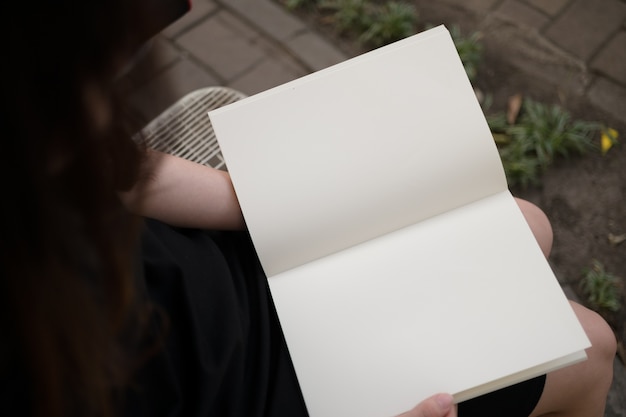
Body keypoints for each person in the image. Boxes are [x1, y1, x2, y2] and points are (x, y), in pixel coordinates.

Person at [1, 1, 616, 417]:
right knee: (590, 348)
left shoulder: (37, 133)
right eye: (104, 74)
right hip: (251, 388)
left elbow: (117, 172)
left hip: (207, 279)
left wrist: (263, 203)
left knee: (522, 225)